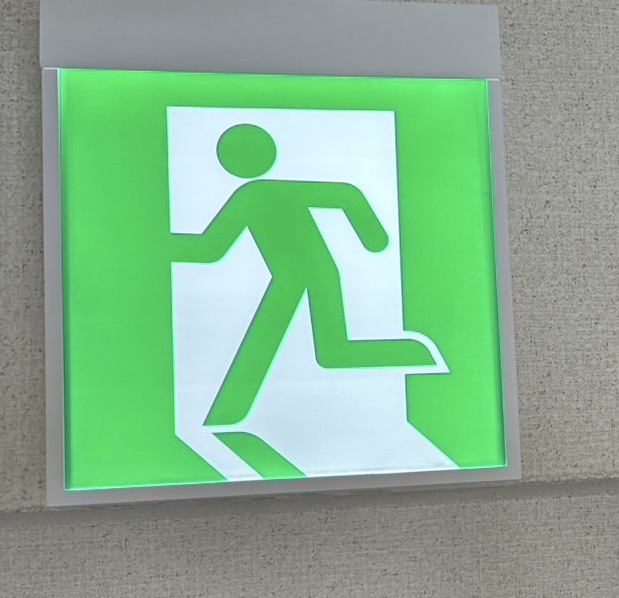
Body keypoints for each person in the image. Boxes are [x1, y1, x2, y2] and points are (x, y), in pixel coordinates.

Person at [171, 122, 434, 427]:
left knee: (329, 350)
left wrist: (373, 237)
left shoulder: (254, 194)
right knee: (331, 350)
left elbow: (210, 247)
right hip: (298, 277)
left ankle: (227, 413)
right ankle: (227, 413)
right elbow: (212, 247)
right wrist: (372, 237)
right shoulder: (255, 194)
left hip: (310, 274)